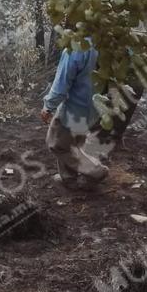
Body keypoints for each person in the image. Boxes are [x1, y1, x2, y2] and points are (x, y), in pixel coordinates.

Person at [40, 42, 109, 187]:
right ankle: (69, 178)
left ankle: (95, 171)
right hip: (95, 108)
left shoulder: (77, 47)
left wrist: (48, 106)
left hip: (73, 109)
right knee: (74, 142)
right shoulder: (113, 43)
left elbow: (61, 84)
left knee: (57, 144)